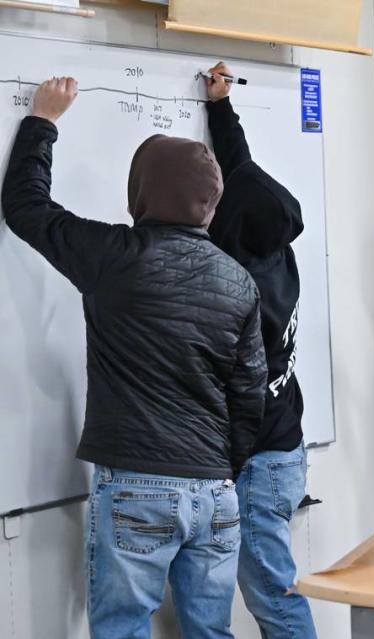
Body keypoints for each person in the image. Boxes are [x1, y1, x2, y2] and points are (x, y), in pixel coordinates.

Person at [2, 77, 267, 638]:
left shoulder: (115, 257)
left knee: (122, 631)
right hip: (216, 489)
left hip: (137, 485)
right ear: (210, 203)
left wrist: (43, 122)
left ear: (139, 192)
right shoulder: (239, 282)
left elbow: (26, 208)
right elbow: (249, 397)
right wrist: (223, 469)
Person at [203, 62, 317, 638]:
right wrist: (221, 109)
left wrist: (225, 459)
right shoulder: (277, 253)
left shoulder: (237, 292)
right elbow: (243, 172)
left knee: (273, 598)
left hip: (259, 458)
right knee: (272, 592)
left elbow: (238, 390)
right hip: (284, 446)